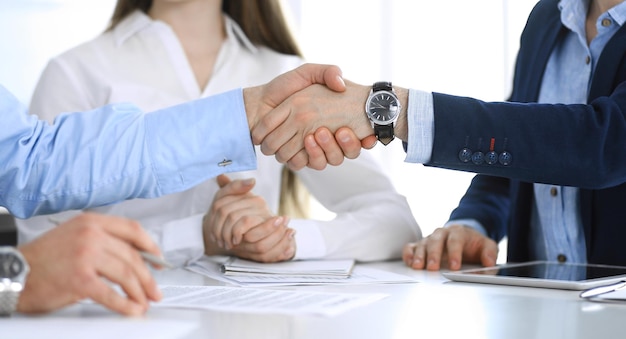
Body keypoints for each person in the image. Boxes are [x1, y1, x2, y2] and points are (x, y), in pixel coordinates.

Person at [17, 0, 421, 267]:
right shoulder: (75, 72)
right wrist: (196, 236)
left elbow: (395, 221)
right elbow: (39, 258)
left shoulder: (285, 76)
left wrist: (287, 238)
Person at [251, 0, 626, 269]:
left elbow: (601, 145)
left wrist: (386, 109)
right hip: (539, 313)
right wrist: (471, 223)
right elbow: (526, 155)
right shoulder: (547, 17)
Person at [1, 60, 348, 315]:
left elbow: (26, 159)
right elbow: (47, 255)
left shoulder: (276, 62)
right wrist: (10, 278)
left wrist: (250, 111)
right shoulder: (73, 69)